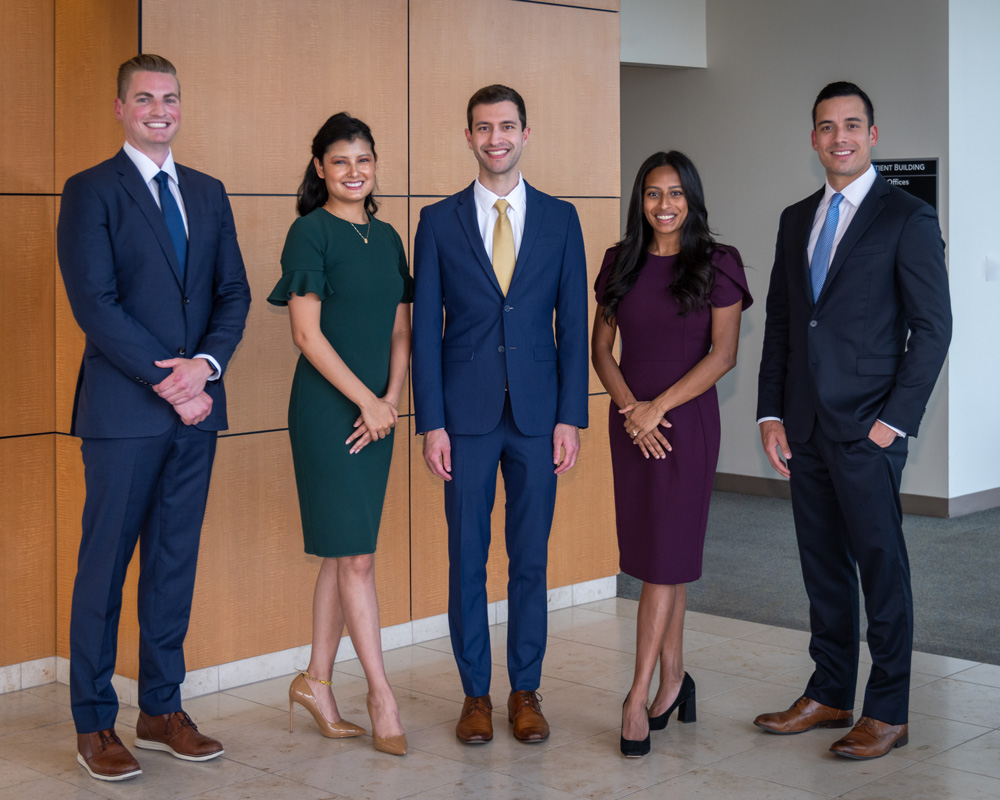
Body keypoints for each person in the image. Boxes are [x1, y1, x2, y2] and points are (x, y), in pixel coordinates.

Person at [57, 54, 251, 782]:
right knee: (104, 569)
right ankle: (95, 721)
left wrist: (206, 367)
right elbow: (95, 304)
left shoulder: (207, 192)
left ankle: (161, 709)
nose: (159, 109)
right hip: (123, 414)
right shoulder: (90, 191)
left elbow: (233, 292)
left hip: (198, 410)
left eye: (170, 98)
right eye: (144, 99)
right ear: (119, 108)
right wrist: (173, 381)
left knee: (174, 564)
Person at [754, 82, 951, 759]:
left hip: (869, 430)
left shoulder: (906, 217)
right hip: (803, 429)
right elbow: (784, 322)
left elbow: (932, 329)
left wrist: (893, 424)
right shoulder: (794, 217)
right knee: (822, 568)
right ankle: (832, 689)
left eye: (852, 124)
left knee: (881, 568)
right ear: (813, 139)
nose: (839, 136)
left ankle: (888, 710)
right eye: (826, 126)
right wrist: (771, 413)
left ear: (873, 134)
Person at [412, 85, 589, 744]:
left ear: (526, 131)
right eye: (483, 128)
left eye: (507, 126)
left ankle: (525, 690)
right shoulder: (438, 221)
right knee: (467, 557)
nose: (496, 139)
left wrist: (570, 416)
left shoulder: (561, 218)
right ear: (468, 137)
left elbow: (573, 325)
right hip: (464, 418)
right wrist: (432, 422)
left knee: (531, 559)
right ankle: (475, 696)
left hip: (540, 417)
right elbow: (426, 331)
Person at [592, 151, 752, 757]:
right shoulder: (620, 263)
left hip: (684, 423)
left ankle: (636, 697)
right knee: (665, 556)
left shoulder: (718, 263)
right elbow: (601, 348)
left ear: (693, 199)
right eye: (654, 193)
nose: (664, 205)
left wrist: (658, 409)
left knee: (664, 560)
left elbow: (723, 354)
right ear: (641, 201)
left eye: (676, 193)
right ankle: (675, 680)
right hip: (631, 422)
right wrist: (633, 408)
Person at [267, 113, 411, 756]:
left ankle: (316, 682)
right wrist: (365, 401)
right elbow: (306, 334)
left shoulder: (388, 238)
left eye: (364, 160)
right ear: (319, 167)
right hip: (330, 413)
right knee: (356, 555)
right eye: (340, 161)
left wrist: (390, 401)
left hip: (377, 411)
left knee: (343, 549)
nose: (354, 172)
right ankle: (381, 693)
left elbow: (401, 332)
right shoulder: (310, 233)